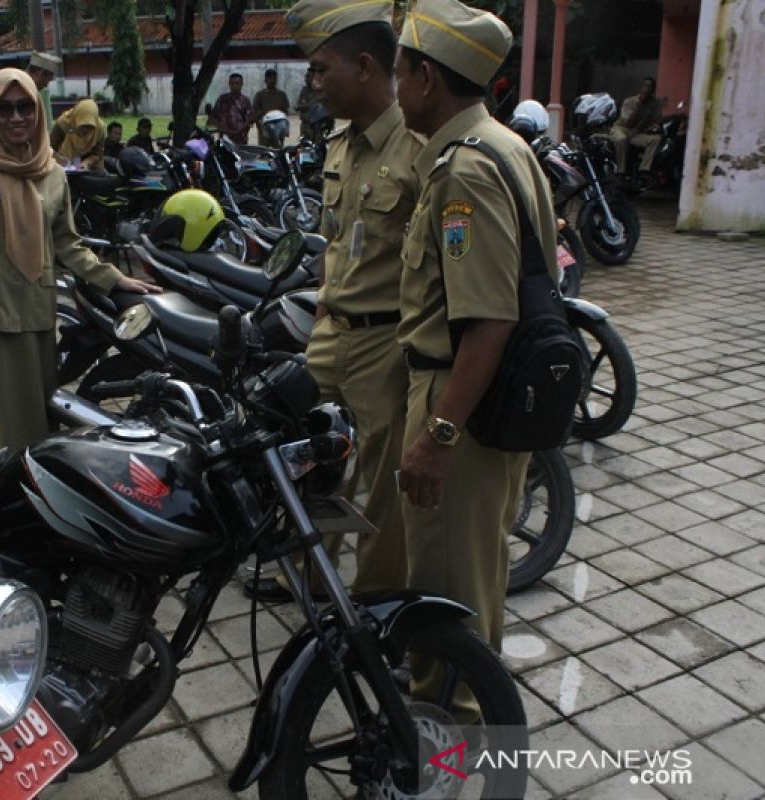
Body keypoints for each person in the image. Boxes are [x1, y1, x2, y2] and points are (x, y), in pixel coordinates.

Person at [393, 0, 558, 701]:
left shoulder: (465, 170)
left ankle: (449, 726)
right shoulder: (504, 143)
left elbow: (489, 318)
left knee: (447, 582)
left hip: (458, 399)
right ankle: (464, 695)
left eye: (401, 71)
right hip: (486, 402)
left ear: (428, 78)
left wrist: (437, 434)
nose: (397, 86)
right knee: (475, 569)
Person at [245, 0, 423, 603]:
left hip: (386, 343)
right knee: (303, 454)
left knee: (380, 489)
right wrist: (323, 304)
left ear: (366, 67)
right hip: (332, 329)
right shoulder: (340, 145)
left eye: (322, 71)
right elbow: (333, 239)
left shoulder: (419, 148)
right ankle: (305, 572)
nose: (313, 84)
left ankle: (374, 606)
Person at [0, 69, 159, 460]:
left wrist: (115, 278)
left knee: (40, 417)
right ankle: (2, 496)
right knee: (3, 422)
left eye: (25, 108)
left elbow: (66, 242)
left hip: (37, 310)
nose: (16, 118)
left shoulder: (50, 171)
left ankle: (36, 500)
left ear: (39, 111)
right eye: (5, 109)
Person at [0, 51, 62, 133]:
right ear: (39, 74)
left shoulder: (30, 88)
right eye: (47, 81)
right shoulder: (12, 82)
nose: (46, 85)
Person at [610, 77, 661, 174]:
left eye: (650, 87)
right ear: (641, 87)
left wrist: (653, 127)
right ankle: (621, 171)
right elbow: (628, 122)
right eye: (645, 85)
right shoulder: (629, 102)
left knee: (656, 139)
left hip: (637, 132)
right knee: (621, 139)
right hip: (622, 128)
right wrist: (639, 105)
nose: (647, 89)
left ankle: (644, 169)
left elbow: (656, 120)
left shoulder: (654, 104)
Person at [49, 98, 106, 171]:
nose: (85, 131)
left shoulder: (100, 129)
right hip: (63, 164)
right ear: (76, 120)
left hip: (88, 166)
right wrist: (58, 158)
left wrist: (87, 163)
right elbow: (49, 147)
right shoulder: (63, 123)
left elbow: (98, 153)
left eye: (90, 127)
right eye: (83, 126)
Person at [210, 73, 253, 144]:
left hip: (241, 139)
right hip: (224, 138)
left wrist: (237, 131)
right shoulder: (222, 99)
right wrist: (221, 129)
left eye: (237, 83)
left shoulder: (245, 100)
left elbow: (249, 120)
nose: (234, 86)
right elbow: (213, 117)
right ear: (229, 84)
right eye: (232, 83)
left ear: (241, 84)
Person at [252, 68, 291, 146]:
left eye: (274, 78)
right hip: (265, 128)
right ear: (265, 80)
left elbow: (286, 111)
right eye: (269, 78)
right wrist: (260, 128)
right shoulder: (260, 95)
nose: (272, 81)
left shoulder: (282, 95)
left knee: (278, 152)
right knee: (264, 153)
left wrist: (284, 127)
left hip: (279, 129)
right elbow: (255, 112)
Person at [296, 67, 320, 141]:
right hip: (305, 127)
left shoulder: (320, 91)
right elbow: (298, 105)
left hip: (318, 128)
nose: (305, 79)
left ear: (314, 78)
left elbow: (319, 108)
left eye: (308, 77)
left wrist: (305, 107)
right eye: (305, 77)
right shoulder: (304, 91)